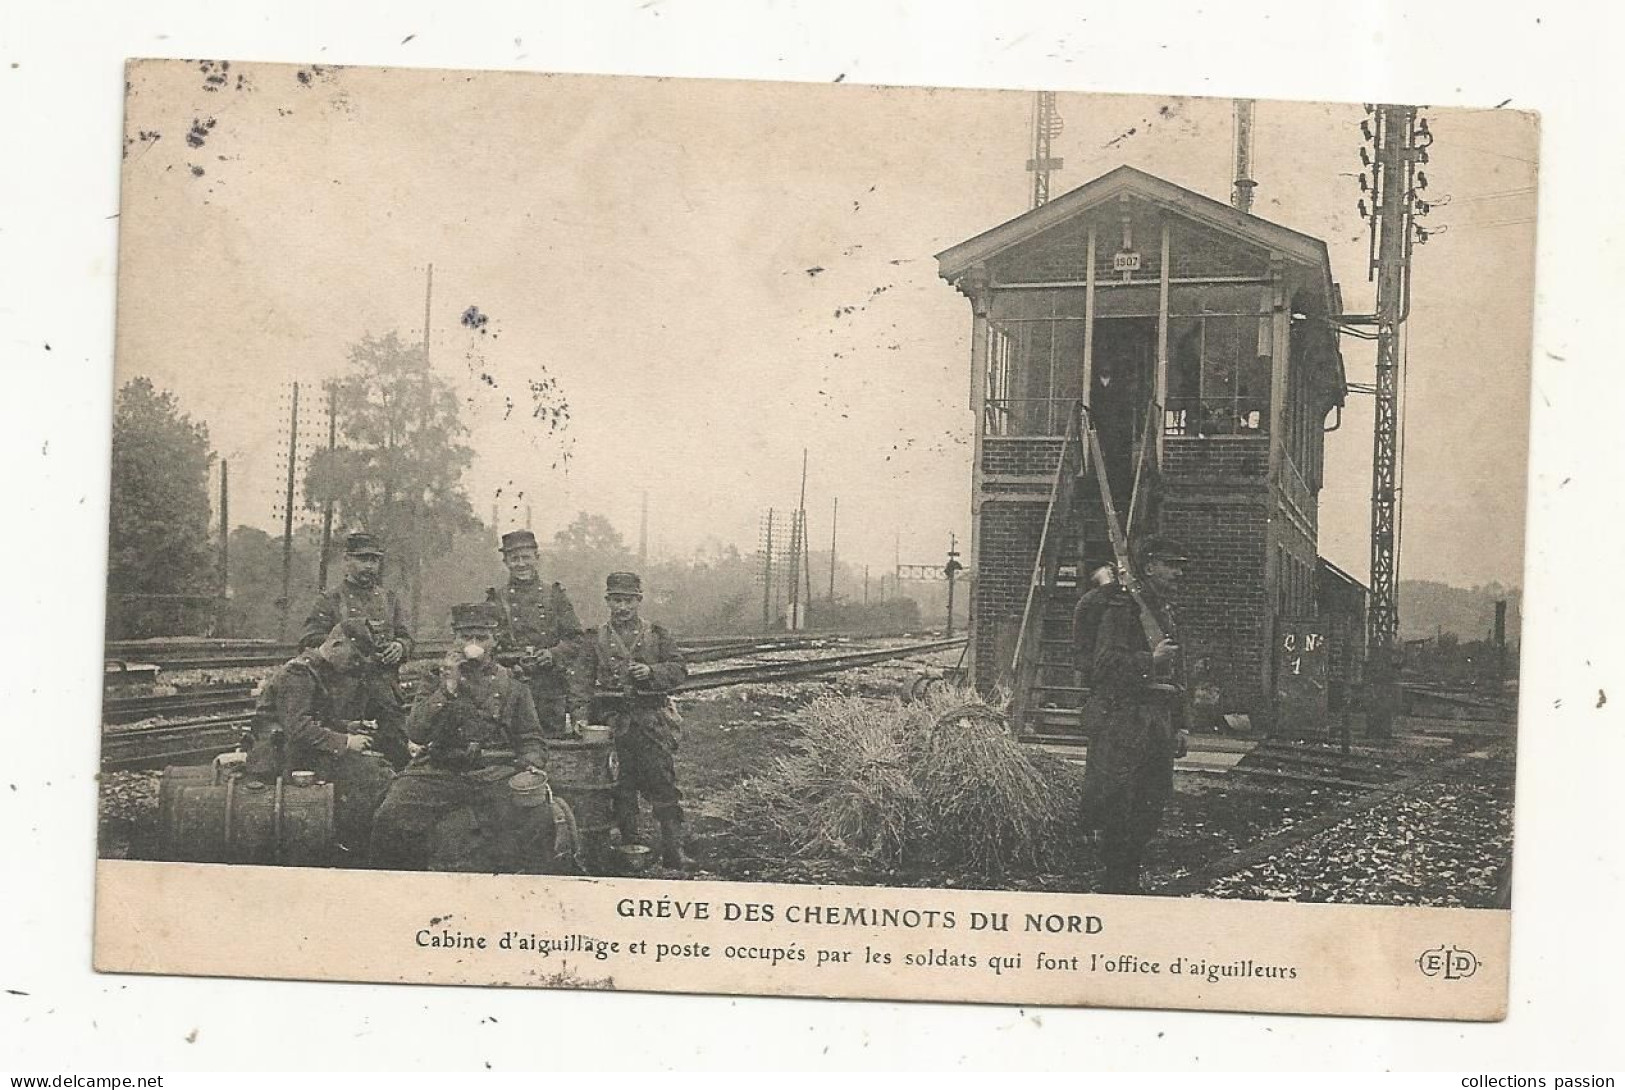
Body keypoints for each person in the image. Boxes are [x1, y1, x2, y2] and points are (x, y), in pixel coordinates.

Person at [369, 603, 549, 873]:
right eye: (466, 637)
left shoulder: (512, 683)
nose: (473, 644)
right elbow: (416, 731)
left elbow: (531, 737)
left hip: (493, 772)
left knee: (538, 819)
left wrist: (531, 762)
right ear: (455, 638)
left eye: (482, 637)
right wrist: (448, 689)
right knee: (390, 817)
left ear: (494, 640)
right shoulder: (435, 678)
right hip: (439, 771)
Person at [1077, 535, 1193, 895]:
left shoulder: (1163, 609)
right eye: (1171, 564)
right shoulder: (1122, 609)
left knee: (1152, 804)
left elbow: (1179, 672)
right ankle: (1115, 885)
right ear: (1149, 566)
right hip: (1123, 720)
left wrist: (1181, 724)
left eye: (1180, 566)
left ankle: (1128, 877)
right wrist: (1150, 662)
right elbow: (1103, 665)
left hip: (1157, 720)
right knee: (1118, 805)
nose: (1178, 572)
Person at [245, 619, 396, 858]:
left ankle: (352, 840)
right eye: (354, 657)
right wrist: (345, 742)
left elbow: (316, 720)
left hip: (298, 751)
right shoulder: (299, 673)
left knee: (376, 767)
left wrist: (349, 727)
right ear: (337, 644)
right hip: (281, 756)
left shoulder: (318, 671)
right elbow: (297, 728)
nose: (354, 666)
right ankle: (352, 846)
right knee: (373, 774)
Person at [572, 572, 690, 869]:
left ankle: (673, 849)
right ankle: (629, 846)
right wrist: (580, 716)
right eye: (615, 600)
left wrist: (652, 673)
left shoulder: (657, 635)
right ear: (607, 601)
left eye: (627, 600)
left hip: (651, 721)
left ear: (639, 600)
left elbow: (679, 670)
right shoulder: (594, 638)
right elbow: (581, 681)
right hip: (610, 723)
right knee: (619, 785)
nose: (621, 607)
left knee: (662, 782)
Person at [300, 531, 412, 769]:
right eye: (362, 559)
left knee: (396, 751)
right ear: (347, 560)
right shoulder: (329, 600)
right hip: (342, 694)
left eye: (374, 560)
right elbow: (309, 641)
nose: (369, 566)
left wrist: (400, 647)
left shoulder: (389, 599)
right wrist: (345, 645)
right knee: (346, 760)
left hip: (384, 694)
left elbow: (406, 637)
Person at [486, 529, 584, 736]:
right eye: (514, 559)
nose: (521, 564)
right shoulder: (496, 599)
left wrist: (553, 654)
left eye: (526, 557)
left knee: (550, 747)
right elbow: (486, 643)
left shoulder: (554, 596)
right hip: (509, 688)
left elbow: (575, 639)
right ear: (505, 562)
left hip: (548, 690)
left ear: (536, 558)